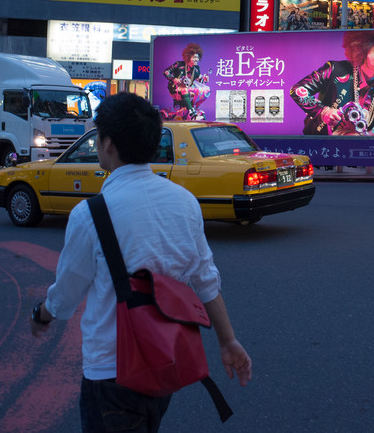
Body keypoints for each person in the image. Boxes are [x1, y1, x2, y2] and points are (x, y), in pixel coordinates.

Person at [30, 93, 252, 431]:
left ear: (108, 145)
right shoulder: (185, 203)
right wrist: (228, 340)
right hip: (166, 360)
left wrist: (42, 315)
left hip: (112, 371)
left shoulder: (90, 214)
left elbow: (68, 292)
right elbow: (206, 280)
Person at [290, 30, 374, 135]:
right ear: (362, 51)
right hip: (322, 144)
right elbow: (298, 90)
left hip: (360, 151)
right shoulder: (334, 69)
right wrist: (324, 112)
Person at [163, 43, 210, 119]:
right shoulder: (179, 64)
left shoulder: (196, 69)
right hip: (175, 89)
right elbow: (166, 72)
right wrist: (174, 79)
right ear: (188, 57)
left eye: (197, 58)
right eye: (194, 57)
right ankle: (191, 111)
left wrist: (204, 79)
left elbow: (199, 79)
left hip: (188, 89)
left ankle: (191, 110)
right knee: (184, 89)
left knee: (204, 90)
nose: (196, 59)